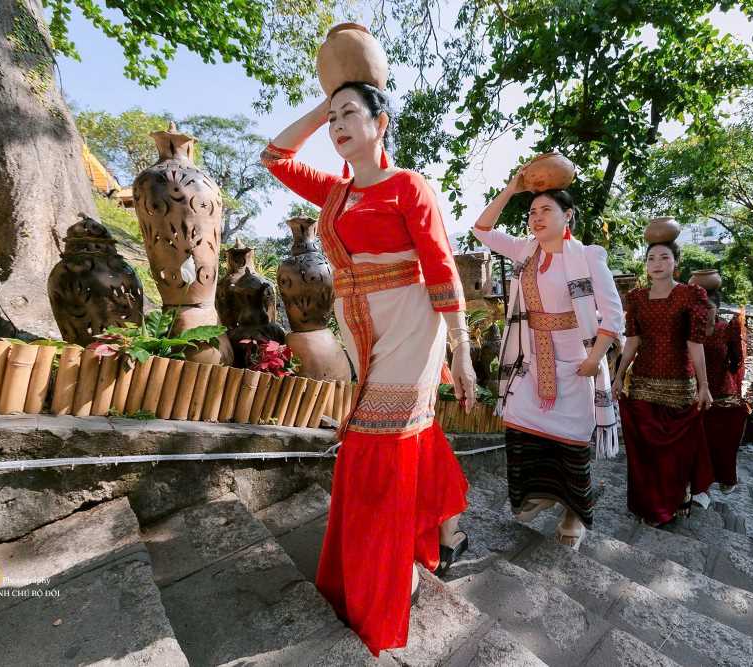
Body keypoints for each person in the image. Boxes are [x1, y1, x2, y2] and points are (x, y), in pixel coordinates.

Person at [261, 82, 475, 655]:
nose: (337, 126)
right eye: (333, 120)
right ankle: (446, 526)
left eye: (350, 114)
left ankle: (389, 571)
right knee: (407, 434)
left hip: (413, 324)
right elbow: (274, 156)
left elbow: (439, 264)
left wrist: (461, 348)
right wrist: (325, 102)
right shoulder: (333, 193)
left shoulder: (409, 185)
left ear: (382, 123)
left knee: (377, 443)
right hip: (360, 328)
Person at [470, 169, 623, 548]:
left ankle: (574, 511)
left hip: (575, 364)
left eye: (545, 210)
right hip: (529, 361)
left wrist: (594, 360)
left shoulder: (587, 256)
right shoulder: (525, 251)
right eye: (532, 212)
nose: (535, 217)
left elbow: (614, 315)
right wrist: (511, 188)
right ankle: (539, 495)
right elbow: (482, 230)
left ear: (567, 216)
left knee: (571, 441)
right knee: (522, 429)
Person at [612, 240, 714, 527]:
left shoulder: (690, 295)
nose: (656, 263)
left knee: (675, 451)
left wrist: (704, 385)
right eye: (651, 258)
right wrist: (619, 375)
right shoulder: (637, 298)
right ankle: (653, 506)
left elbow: (695, 344)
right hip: (643, 380)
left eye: (664, 257)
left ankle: (678, 494)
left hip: (679, 383)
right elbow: (632, 341)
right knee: (646, 449)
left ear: (675, 263)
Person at [700, 284, 750, 493]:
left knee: (722, 441)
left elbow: (737, 360)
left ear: (717, 308)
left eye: (708, 307)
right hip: (695, 392)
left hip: (722, 391)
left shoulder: (727, 329)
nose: (703, 312)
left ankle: (723, 476)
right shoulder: (689, 329)